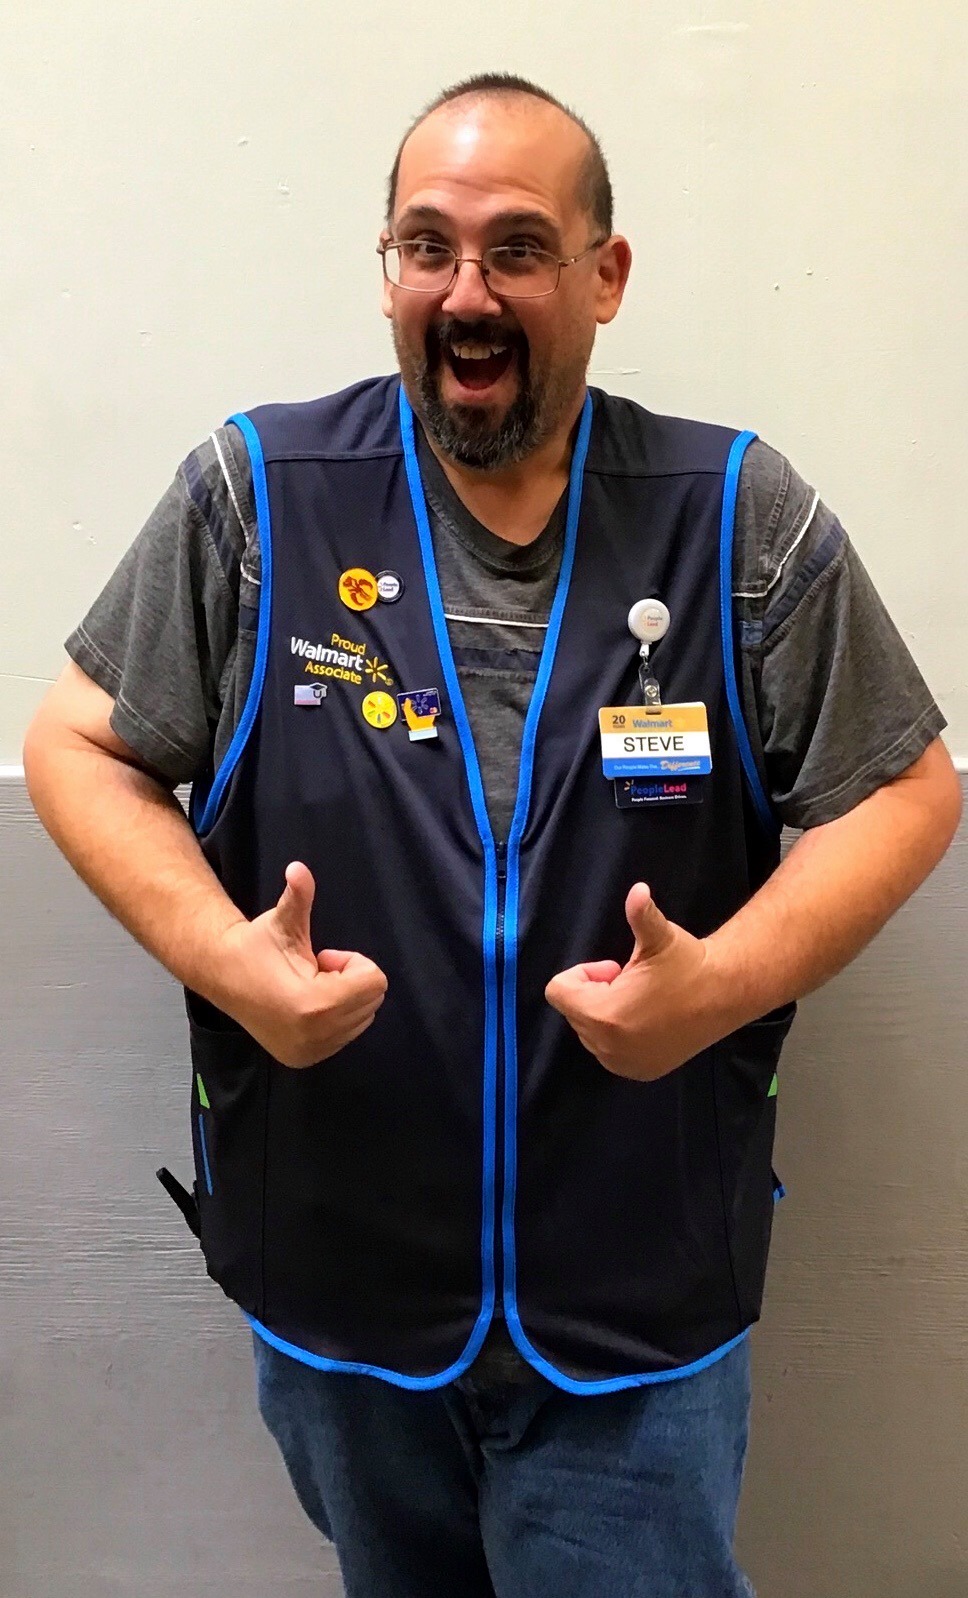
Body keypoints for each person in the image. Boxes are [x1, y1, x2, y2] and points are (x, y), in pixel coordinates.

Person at [24, 72, 961, 1598]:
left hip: (637, 1302)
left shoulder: (735, 516)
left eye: (519, 247)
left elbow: (906, 788)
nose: (468, 291)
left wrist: (716, 989)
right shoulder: (260, 502)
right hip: (344, 1290)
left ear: (606, 274)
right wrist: (229, 963)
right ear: (387, 269)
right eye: (429, 245)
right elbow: (74, 742)